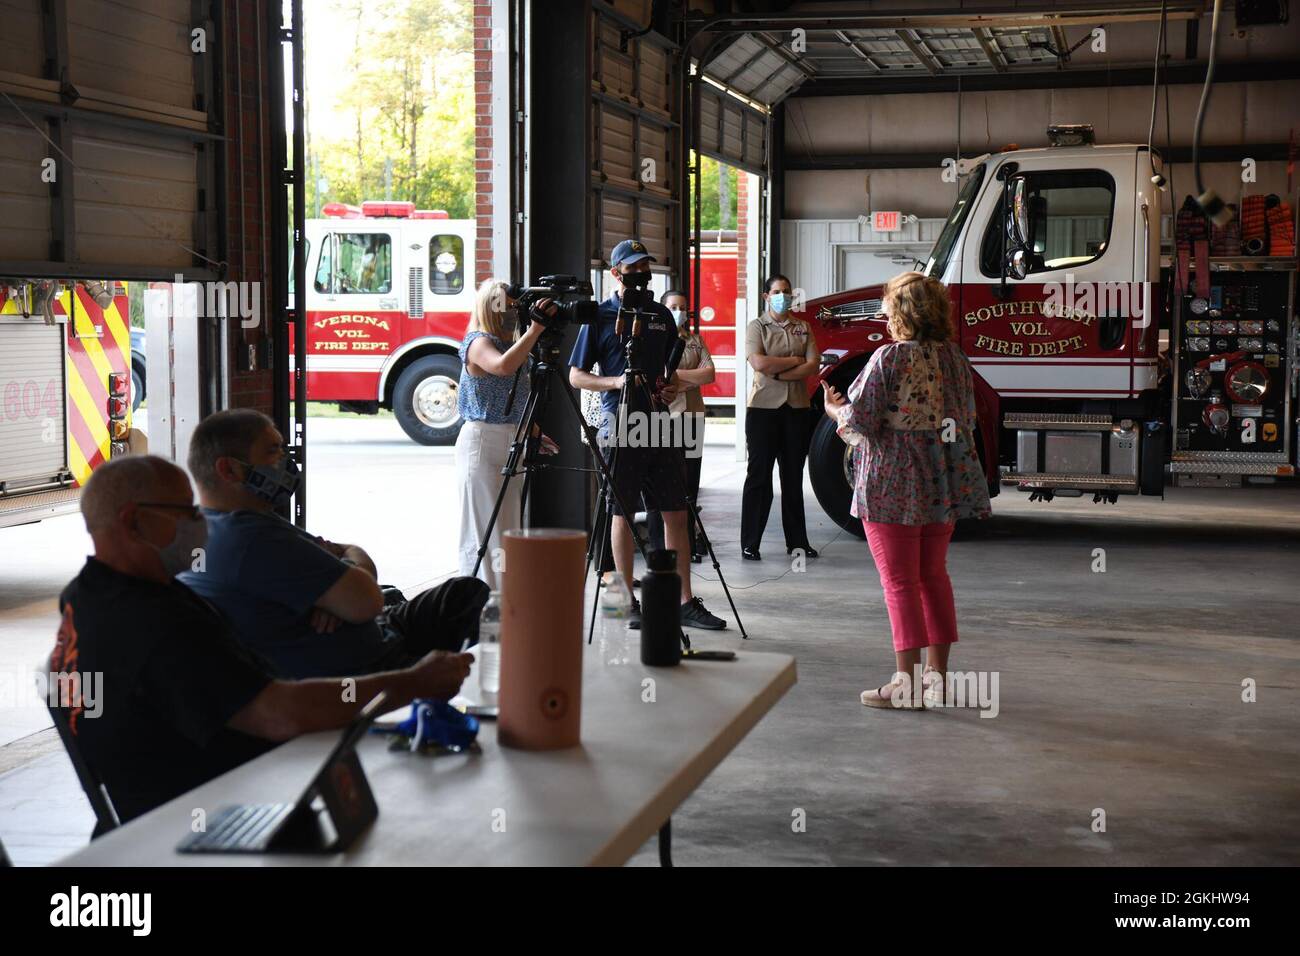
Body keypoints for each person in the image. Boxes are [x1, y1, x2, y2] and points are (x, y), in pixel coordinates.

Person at [50, 455, 471, 829]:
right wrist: (414, 683)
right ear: (132, 521)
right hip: (217, 815)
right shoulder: (153, 620)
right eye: (184, 511)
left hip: (180, 801)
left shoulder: (88, 594)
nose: (198, 520)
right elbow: (279, 714)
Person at [179, 409, 489, 679]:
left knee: (462, 594)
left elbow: (348, 586)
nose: (286, 463)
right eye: (273, 451)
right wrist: (348, 565)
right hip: (365, 672)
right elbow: (366, 600)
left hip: (373, 631)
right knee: (474, 610)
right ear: (229, 469)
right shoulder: (253, 538)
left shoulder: (212, 527)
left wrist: (334, 591)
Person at [821, 272, 991, 709]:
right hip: (942, 479)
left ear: (900, 313)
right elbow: (964, 418)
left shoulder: (888, 359)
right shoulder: (954, 358)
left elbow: (860, 425)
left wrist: (834, 410)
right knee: (934, 578)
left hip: (891, 482)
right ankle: (937, 679)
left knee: (899, 583)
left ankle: (905, 685)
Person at [568, 239, 726, 631]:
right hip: (618, 421)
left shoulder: (660, 314)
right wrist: (615, 382)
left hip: (660, 421)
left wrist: (670, 386)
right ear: (616, 272)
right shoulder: (600, 316)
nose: (642, 272)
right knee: (622, 511)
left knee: (675, 511)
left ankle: (684, 600)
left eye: (645, 265)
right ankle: (623, 600)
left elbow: (669, 371)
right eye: (633, 266)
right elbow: (576, 374)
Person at [455, 279, 558, 591]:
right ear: (490, 308)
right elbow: (501, 368)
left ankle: (505, 593)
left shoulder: (512, 345)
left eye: (517, 306)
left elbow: (516, 395)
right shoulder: (477, 342)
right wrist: (535, 331)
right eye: (508, 306)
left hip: (511, 439)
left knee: (507, 527)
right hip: (481, 442)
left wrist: (533, 430)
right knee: (482, 528)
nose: (514, 312)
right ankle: (479, 598)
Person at [740, 274, 820, 561]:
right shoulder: (756, 327)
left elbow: (813, 365)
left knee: (792, 478)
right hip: (763, 410)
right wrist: (793, 362)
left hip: (796, 409)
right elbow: (758, 363)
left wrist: (778, 371)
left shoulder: (803, 327)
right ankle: (750, 542)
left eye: (786, 291)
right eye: (776, 291)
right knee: (759, 478)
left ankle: (797, 542)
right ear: (766, 296)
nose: (783, 296)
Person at [646, 289, 713, 562]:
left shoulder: (695, 341)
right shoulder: (654, 340)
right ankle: (658, 550)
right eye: (673, 306)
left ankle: (687, 545)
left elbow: (709, 374)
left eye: (683, 307)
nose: (679, 312)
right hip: (662, 417)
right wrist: (686, 379)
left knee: (690, 483)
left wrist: (672, 379)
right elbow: (654, 376)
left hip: (691, 418)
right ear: (662, 309)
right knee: (658, 486)